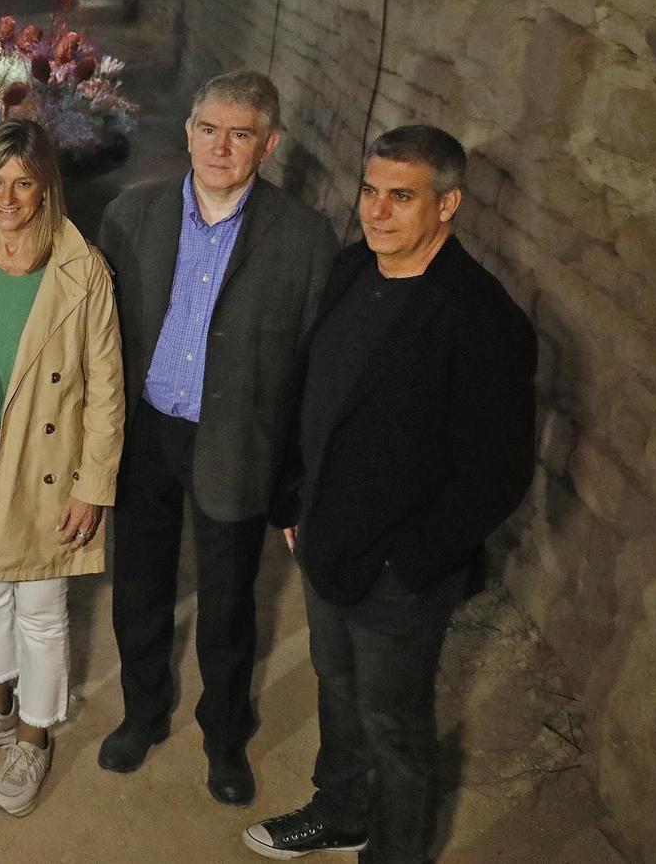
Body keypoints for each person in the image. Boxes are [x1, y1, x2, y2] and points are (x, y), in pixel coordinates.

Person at [245, 126, 535, 863]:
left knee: (395, 724)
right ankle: (342, 809)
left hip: (399, 571)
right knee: (337, 688)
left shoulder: (480, 317)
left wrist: (412, 559)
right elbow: (313, 394)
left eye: (400, 196)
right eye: (371, 191)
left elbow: (499, 470)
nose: (377, 210)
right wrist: (295, 501)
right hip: (325, 540)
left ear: (448, 204)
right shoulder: (351, 269)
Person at [95, 70, 336, 805]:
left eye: (240, 134)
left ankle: (225, 735)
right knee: (140, 585)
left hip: (236, 438)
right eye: (208, 128)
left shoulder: (303, 237)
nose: (220, 146)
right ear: (189, 130)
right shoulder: (130, 216)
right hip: (147, 431)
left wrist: (295, 477)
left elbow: (311, 363)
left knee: (230, 601)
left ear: (269, 144)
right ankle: (143, 711)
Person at [0, 119, 125, 816]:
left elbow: (106, 388)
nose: (7, 197)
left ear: (45, 188)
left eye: (23, 183)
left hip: (49, 466)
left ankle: (33, 736)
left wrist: (92, 485)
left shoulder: (82, 268)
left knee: (42, 610)